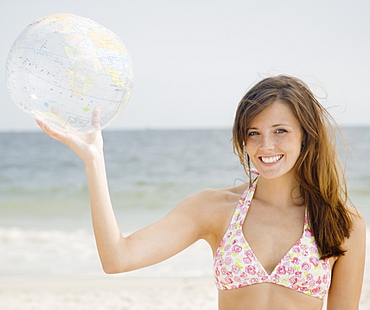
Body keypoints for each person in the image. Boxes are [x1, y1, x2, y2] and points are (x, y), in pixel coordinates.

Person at [37, 75, 365, 309]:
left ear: (306, 137)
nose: (266, 146)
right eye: (254, 133)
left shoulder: (342, 222)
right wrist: (94, 161)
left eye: (281, 131)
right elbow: (117, 258)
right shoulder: (214, 209)